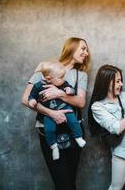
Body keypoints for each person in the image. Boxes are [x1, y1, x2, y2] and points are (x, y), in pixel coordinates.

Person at [21, 37, 90, 190]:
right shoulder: (45, 68)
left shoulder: (81, 75)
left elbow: (80, 102)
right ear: (71, 48)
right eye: (83, 48)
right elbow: (26, 99)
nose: (86, 53)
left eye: (87, 50)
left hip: (73, 131)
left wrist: (59, 94)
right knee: (63, 183)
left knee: (70, 182)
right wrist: (51, 113)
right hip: (48, 132)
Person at [28, 60, 86, 161]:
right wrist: (32, 100)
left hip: (65, 107)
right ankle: (54, 147)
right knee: (49, 129)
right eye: (61, 77)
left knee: (73, 120)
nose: (64, 79)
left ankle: (78, 137)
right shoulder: (38, 85)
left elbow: (71, 90)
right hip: (49, 113)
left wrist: (69, 91)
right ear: (48, 79)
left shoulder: (63, 83)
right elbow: (31, 95)